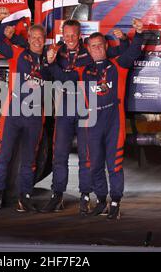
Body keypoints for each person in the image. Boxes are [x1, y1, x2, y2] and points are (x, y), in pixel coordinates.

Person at [47, 18, 144, 220]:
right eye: (93, 46)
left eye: (100, 45)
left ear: (106, 47)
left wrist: (137, 34)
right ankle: (100, 199)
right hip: (92, 122)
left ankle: (115, 201)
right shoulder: (83, 71)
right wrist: (50, 63)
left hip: (113, 122)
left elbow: (133, 52)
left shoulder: (118, 65)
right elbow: (63, 78)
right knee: (95, 163)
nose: (97, 49)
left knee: (114, 163)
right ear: (88, 50)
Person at [0, 7, 51, 213]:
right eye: (34, 37)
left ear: (44, 39)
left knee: (29, 159)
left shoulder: (50, 60)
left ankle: (26, 196)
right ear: (29, 38)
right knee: (3, 155)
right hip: (13, 114)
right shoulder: (17, 53)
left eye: (40, 38)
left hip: (35, 117)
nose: (37, 41)